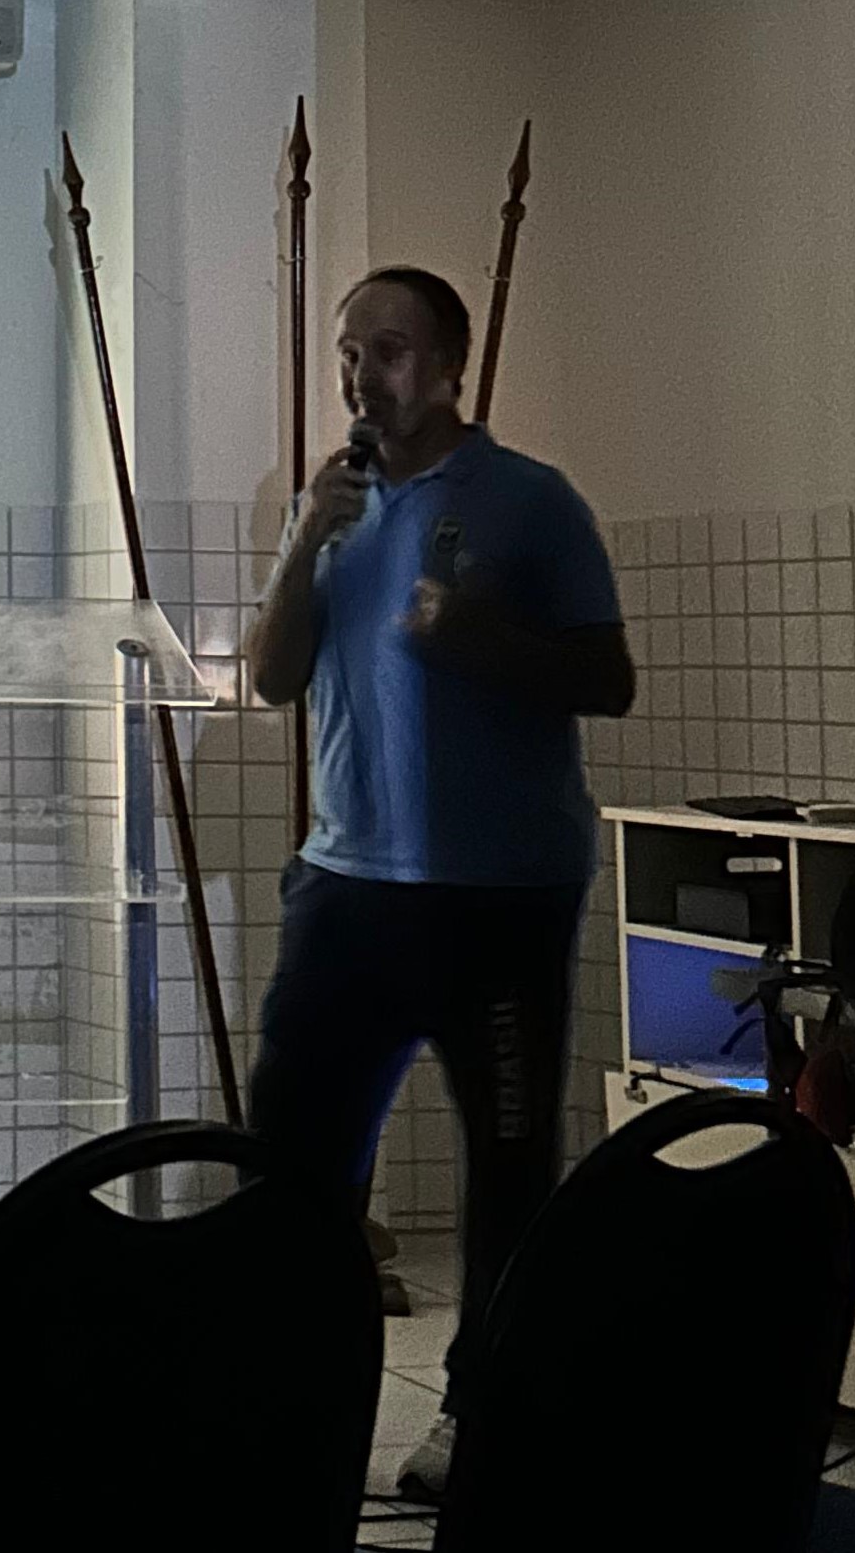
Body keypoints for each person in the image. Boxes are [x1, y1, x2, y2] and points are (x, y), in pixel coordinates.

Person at [242, 266, 635, 1499]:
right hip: (346, 886)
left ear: (452, 366)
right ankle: (285, 1413)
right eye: (352, 348)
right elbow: (269, 678)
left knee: (507, 1161)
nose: (365, 371)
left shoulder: (532, 503)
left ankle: (479, 1414)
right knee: (291, 1161)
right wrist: (308, 533)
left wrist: (484, 641)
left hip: (500, 896)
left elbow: (608, 677)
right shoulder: (336, 505)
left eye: (393, 349)